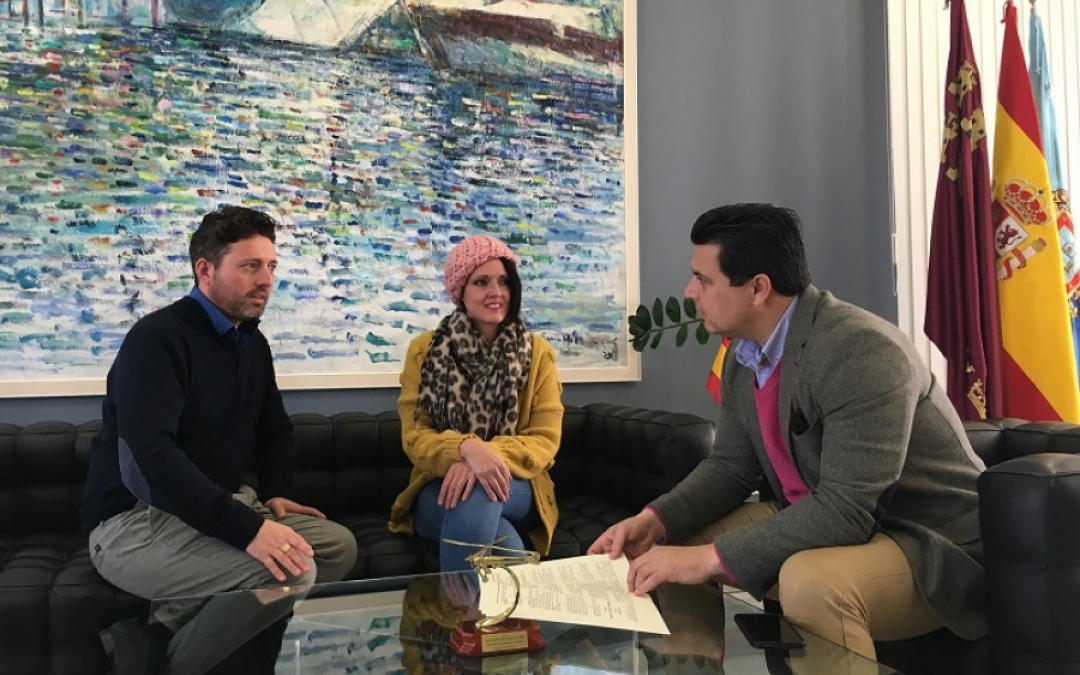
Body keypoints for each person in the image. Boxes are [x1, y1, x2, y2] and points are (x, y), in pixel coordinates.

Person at [589, 203, 986, 661]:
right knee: (672, 545)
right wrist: (653, 521)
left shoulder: (860, 350)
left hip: (929, 541)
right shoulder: (744, 356)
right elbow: (730, 468)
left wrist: (709, 559)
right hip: (837, 518)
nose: (689, 291)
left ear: (758, 288)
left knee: (808, 582)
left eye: (703, 279)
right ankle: (693, 667)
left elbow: (848, 509)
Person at [80, 205, 357, 673]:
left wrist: (276, 492)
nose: (266, 280)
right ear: (205, 270)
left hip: (216, 504)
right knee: (294, 570)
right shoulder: (156, 340)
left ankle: (161, 628)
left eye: (271, 266)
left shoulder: (252, 343)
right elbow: (152, 459)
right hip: (133, 521)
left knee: (336, 548)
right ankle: (168, 667)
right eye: (250, 266)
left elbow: (273, 428)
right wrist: (248, 530)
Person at [389, 234, 564, 571]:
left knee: (480, 489)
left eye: (504, 281)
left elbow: (545, 440)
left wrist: (486, 457)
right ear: (461, 291)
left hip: (518, 485)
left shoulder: (537, 352)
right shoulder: (425, 351)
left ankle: (455, 604)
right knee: (498, 536)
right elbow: (415, 437)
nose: (496, 292)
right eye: (481, 282)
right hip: (438, 488)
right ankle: (516, 602)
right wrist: (466, 448)